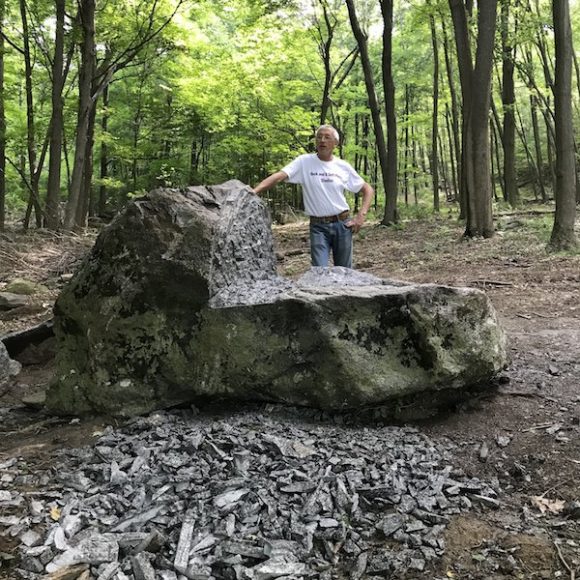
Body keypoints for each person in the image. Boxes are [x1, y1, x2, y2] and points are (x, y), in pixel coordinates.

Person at [253, 125, 374, 269]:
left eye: (327, 137)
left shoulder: (342, 166)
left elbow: (367, 189)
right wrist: (255, 191)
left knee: (344, 272)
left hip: (342, 225)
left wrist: (361, 216)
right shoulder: (304, 162)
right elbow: (279, 176)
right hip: (318, 227)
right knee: (319, 271)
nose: (322, 140)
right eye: (319, 137)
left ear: (335, 143)